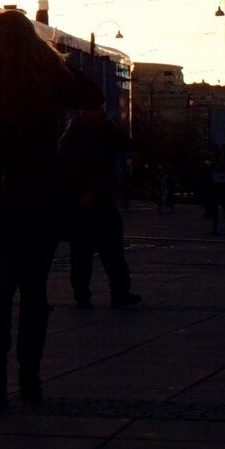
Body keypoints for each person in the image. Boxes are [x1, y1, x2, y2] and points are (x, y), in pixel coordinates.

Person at [0, 10, 102, 407]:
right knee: (35, 289)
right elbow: (93, 96)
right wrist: (53, 59)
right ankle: (30, 377)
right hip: (41, 195)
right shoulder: (46, 76)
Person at [61, 104, 141, 310]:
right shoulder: (72, 137)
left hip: (102, 199)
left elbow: (126, 144)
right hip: (83, 202)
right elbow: (65, 170)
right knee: (83, 254)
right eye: (93, 109)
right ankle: (83, 294)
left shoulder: (104, 132)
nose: (97, 113)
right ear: (83, 111)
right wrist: (80, 193)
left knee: (112, 252)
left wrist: (109, 127)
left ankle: (120, 293)